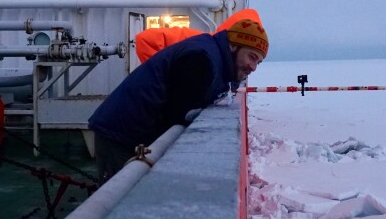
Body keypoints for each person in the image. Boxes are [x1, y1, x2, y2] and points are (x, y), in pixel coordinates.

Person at [88, 18, 269, 182]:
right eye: (251, 57)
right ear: (233, 46)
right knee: (115, 204)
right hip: (120, 135)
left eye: (258, 62)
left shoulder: (212, 56)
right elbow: (179, 113)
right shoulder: (201, 59)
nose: (253, 67)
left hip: (131, 134)